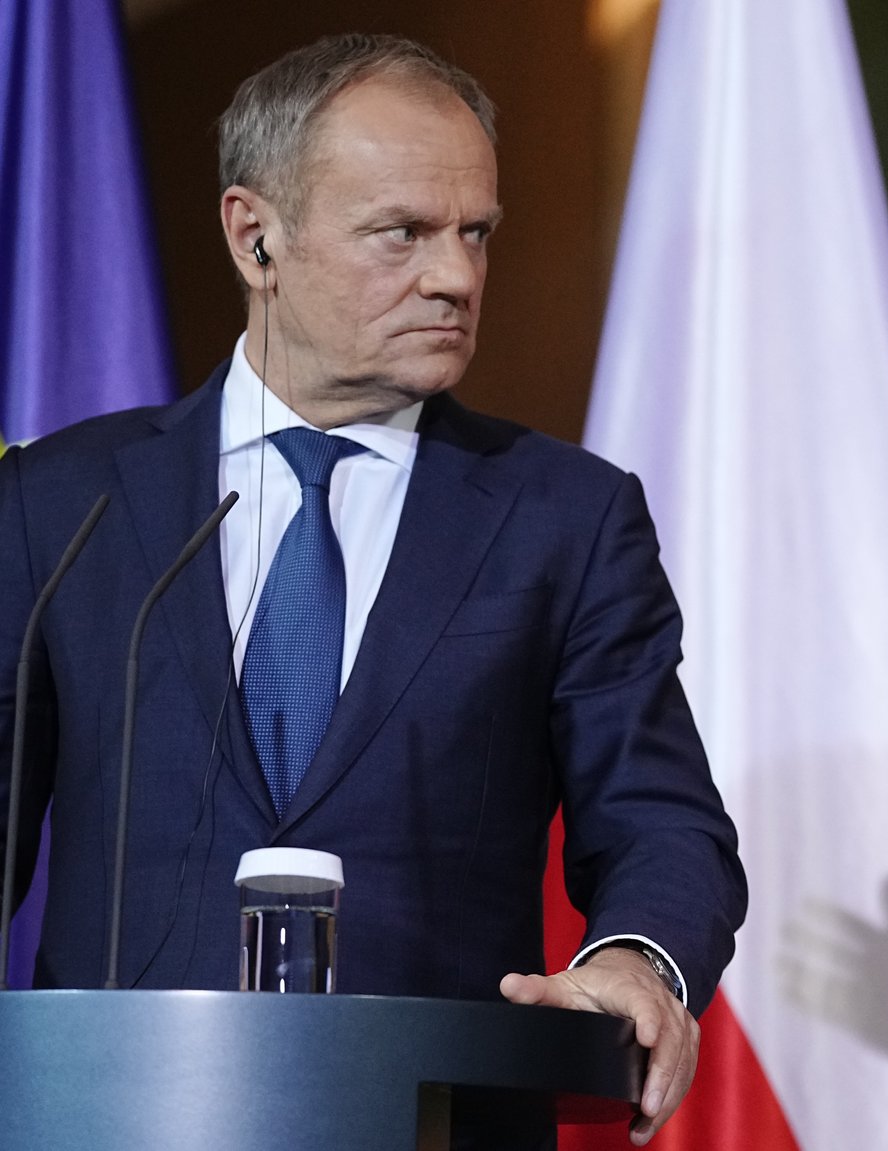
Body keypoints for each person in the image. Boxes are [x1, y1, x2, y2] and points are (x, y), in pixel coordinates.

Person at [0, 35, 744, 1146]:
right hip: (114, 1113)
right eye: (404, 232)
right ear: (258, 238)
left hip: (439, 1115)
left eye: (475, 233)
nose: (454, 275)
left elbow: (659, 817)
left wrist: (635, 958)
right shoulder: (65, 504)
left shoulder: (564, 517)